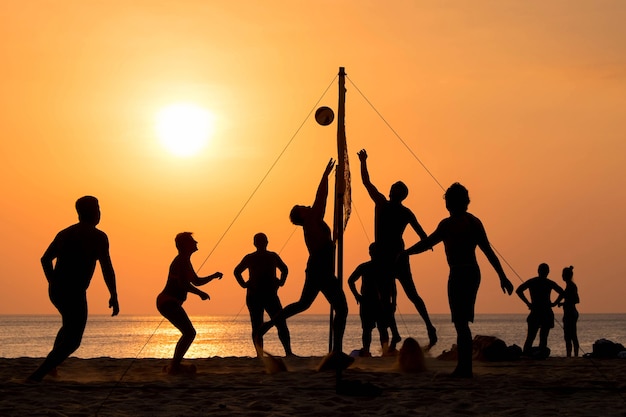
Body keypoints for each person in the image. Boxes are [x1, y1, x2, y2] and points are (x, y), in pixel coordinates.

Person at [403, 182, 514, 378]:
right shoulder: (473, 222)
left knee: (461, 323)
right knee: (461, 322)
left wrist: (503, 276)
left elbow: (428, 243)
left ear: (451, 203)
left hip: (460, 273)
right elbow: (488, 252)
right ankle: (465, 366)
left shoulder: (451, 224)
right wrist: (502, 277)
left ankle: (464, 368)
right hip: (472, 273)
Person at [260, 159, 352, 368]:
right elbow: (321, 198)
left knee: (305, 304)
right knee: (341, 308)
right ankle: (336, 351)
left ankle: (269, 324)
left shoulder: (314, 221)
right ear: (301, 214)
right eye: (302, 206)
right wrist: (325, 176)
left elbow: (322, 204)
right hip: (320, 268)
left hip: (320, 267)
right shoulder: (311, 219)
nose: (306, 205)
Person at [28, 196, 120, 382]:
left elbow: (45, 259)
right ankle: (38, 375)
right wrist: (113, 294)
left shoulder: (65, 233)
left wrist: (52, 281)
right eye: (98, 209)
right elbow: (106, 267)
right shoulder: (98, 236)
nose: (99, 213)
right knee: (73, 340)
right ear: (93, 212)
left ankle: (51, 369)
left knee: (68, 327)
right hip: (75, 292)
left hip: (56, 291)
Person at [357, 149, 437, 349]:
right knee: (388, 298)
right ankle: (396, 335)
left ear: (402, 196)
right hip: (386, 258)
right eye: (393, 189)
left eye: (397, 191)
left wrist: (424, 246)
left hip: (396, 257)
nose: (393, 192)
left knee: (409, 294)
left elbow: (422, 234)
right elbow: (366, 182)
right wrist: (363, 161)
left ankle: (428, 327)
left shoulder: (400, 210)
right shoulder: (382, 203)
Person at [156, 232, 222, 374]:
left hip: (171, 303)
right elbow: (183, 284)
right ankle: (174, 366)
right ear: (186, 245)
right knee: (189, 332)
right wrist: (200, 294)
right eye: (193, 240)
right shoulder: (181, 261)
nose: (196, 242)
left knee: (188, 332)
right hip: (168, 302)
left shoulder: (185, 260)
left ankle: (174, 365)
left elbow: (197, 281)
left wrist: (213, 276)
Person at [234, 232, 293, 357]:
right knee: (258, 324)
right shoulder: (250, 257)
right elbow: (237, 272)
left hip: (270, 295)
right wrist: (244, 284)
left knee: (279, 322)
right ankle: (260, 354)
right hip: (255, 295)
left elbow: (285, 269)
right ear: (255, 244)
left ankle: (287, 352)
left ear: (266, 242)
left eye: (263, 241)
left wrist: (281, 282)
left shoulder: (272, 256)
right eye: (260, 241)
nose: (261, 244)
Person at [516, 263, 565, 358]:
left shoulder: (534, 282)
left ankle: (532, 353)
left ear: (539, 271)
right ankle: (534, 353)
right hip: (543, 312)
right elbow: (562, 292)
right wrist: (554, 303)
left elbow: (519, 290)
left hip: (540, 311)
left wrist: (528, 303)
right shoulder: (548, 282)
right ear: (547, 272)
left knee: (532, 336)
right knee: (540, 336)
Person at [347, 242, 388, 356]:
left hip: (379, 302)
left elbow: (391, 287)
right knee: (367, 329)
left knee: (382, 328)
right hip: (367, 301)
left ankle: (384, 352)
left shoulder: (383, 268)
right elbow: (350, 280)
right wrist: (357, 295)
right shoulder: (364, 267)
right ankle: (366, 350)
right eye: (373, 251)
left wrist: (392, 302)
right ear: (370, 253)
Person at [557, 265, 580, 357]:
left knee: (571, 335)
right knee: (568, 335)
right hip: (569, 313)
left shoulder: (571, 286)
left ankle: (573, 355)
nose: (562, 276)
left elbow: (576, 300)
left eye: (563, 274)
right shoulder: (568, 286)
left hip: (571, 313)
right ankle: (570, 354)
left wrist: (563, 304)